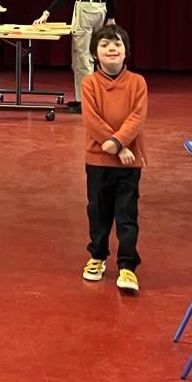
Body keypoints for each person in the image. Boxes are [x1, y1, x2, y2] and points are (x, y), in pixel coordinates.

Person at [79, 24, 148, 296]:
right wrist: (117, 147)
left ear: (125, 51)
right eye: (105, 45)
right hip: (99, 160)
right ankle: (97, 256)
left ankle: (127, 265)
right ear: (95, 53)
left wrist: (118, 141)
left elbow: (137, 117)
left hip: (130, 162)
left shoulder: (137, 82)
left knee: (127, 214)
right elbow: (91, 119)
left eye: (117, 44)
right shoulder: (89, 83)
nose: (111, 49)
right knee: (98, 211)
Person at [33, 0, 117, 114]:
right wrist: (111, 16)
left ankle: (85, 102)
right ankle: (88, 99)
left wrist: (48, 11)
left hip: (85, 9)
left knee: (82, 57)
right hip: (101, 10)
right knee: (94, 55)